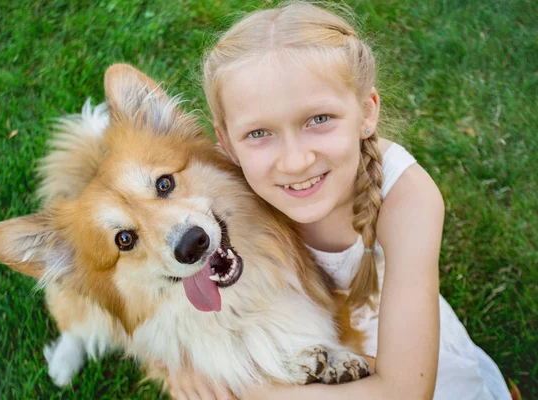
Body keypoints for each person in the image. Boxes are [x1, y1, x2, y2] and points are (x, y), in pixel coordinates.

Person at [166, 2, 511, 399]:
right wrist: (179, 361)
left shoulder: (408, 198)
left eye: (318, 120)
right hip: (299, 340)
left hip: (397, 353)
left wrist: (247, 391)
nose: (295, 162)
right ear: (225, 143)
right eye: (259, 133)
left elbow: (404, 392)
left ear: (366, 112)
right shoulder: (226, 190)